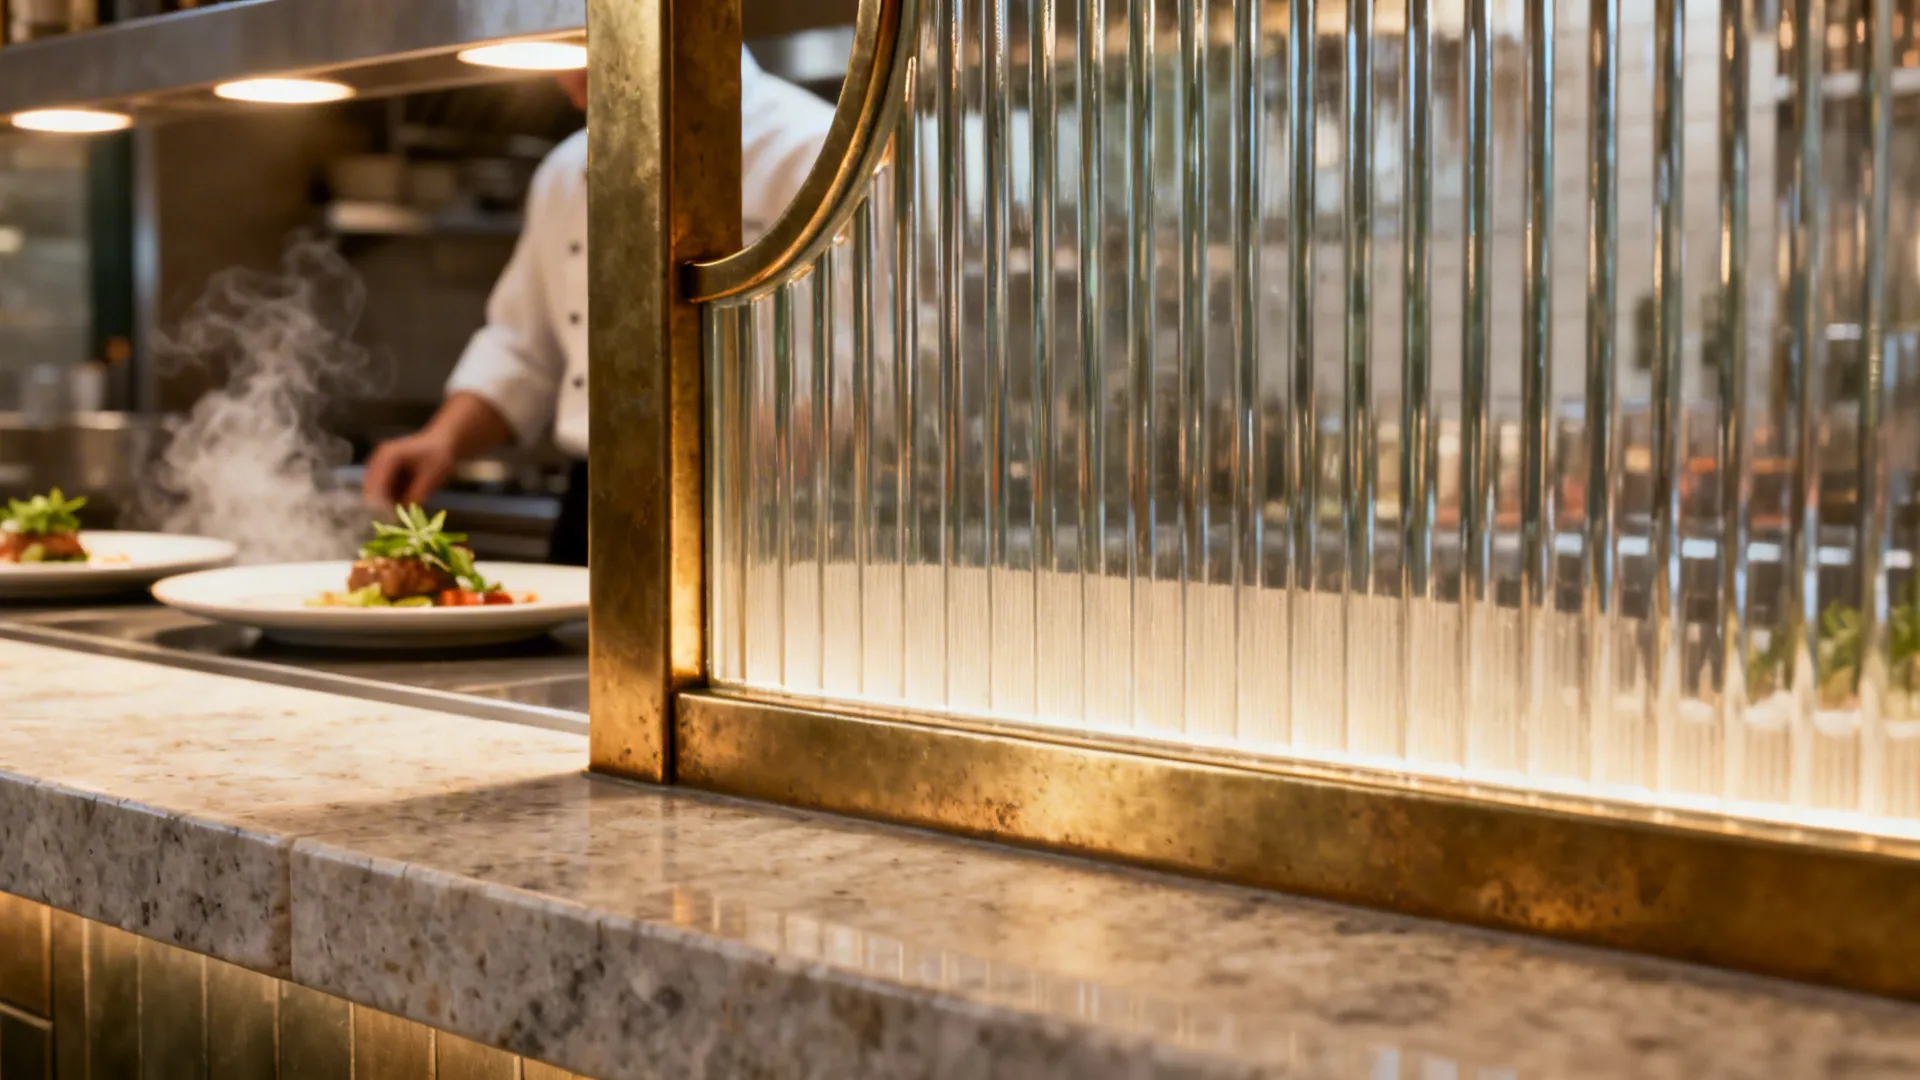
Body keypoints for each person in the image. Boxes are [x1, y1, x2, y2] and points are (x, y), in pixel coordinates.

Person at [362, 52, 835, 566]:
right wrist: (441, 441)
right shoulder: (566, 170)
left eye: (586, 46)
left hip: (764, 506)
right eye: (558, 50)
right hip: (594, 506)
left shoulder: (810, 147)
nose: (565, 77)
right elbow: (523, 350)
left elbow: (870, 360)